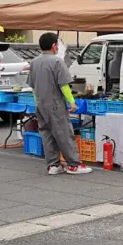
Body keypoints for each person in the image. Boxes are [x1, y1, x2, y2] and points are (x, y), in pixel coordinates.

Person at [27, 33, 92, 175]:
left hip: (40, 104)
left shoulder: (34, 62)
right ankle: (74, 164)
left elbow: (32, 86)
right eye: (57, 44)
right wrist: (72, 102)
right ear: (53, 46)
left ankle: (53, 165)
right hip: (55, 104)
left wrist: (37, 101)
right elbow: (64, 85)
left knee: (47, 134)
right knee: (64, 133)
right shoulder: (57, 62)